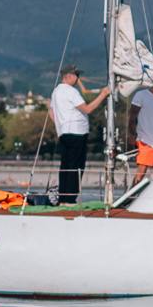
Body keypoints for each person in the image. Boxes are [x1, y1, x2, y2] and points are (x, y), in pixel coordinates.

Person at [46, 64, 108, 207]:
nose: (78, 79)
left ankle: (63, 198)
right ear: (69, 76)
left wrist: (60, 125)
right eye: (77, 76)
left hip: (64, 133)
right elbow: (87, 109)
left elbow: (52, 113)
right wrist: (103, 95)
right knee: (76, 165)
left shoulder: (56, 92)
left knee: (66, 164)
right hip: (77, 133)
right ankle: (70, 199)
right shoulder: (71, 92)